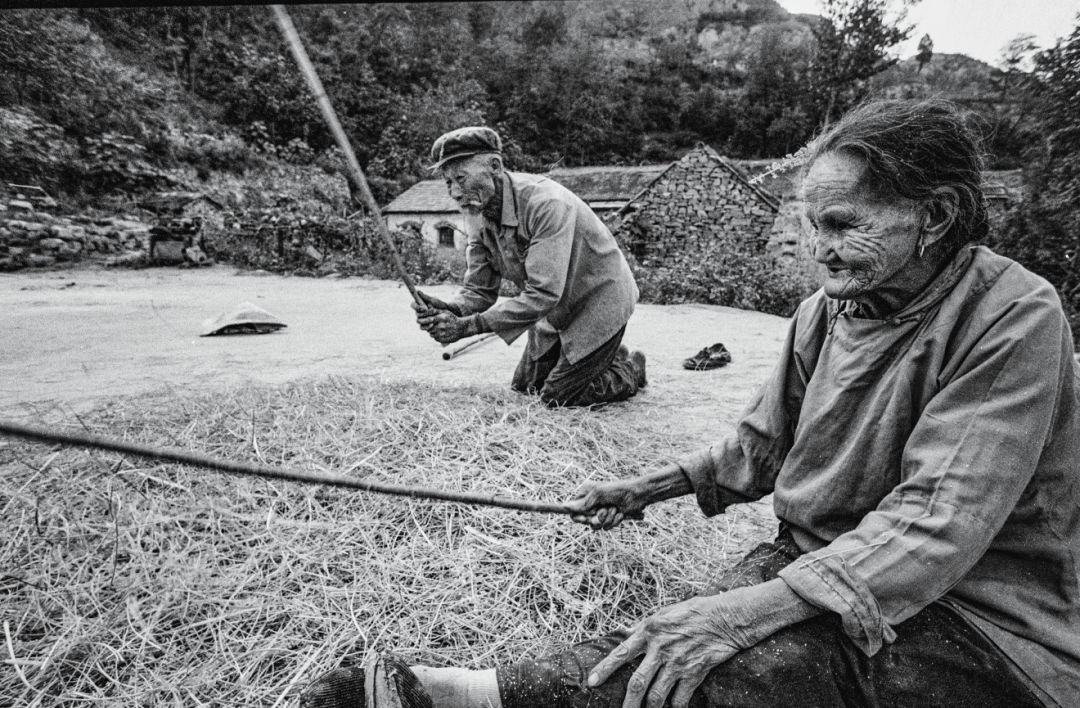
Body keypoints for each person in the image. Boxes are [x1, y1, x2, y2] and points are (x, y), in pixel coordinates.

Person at [302, 99, 1080, 708]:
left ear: (935, 216)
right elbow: (762, 447)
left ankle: (475, 696)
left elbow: (936, 526)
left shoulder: (1012, 317)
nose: (819, 249)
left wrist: (747, 614)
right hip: (813, 562)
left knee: (743, 674)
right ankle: (506, 691)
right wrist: (648, 488)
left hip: (969, 606)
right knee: (662, 641)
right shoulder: (825, 312)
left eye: (842, 225)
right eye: (811, 226)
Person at [412, 126, 646, 408]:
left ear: (495, 166)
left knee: (557, 398)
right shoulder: (478, 213)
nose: (455, 192)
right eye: (448, 183)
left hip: (598, 303)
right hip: (555, 310)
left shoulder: (545, 204)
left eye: (460, 178)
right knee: (525, 389)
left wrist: (467, 328)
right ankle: (601, 358)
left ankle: (629, 368)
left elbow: (544, 294)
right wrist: (451, 310)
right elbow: (479, 290)